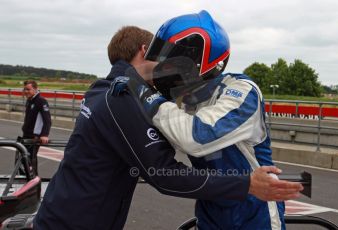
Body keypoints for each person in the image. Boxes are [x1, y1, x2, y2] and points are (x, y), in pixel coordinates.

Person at [33, 26, 302, 230]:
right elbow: (165, 174)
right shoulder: (123, 96)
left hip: (67, 211)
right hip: (78, 221)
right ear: (143, 50)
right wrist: (245, 184)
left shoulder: (102, 89)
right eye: (162, 53)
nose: (167, 62)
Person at [118, 11, 287, 229]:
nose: (162, 67)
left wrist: (145, 94)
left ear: (198, 61)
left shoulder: (242, 90)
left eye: (169, 61)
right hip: (211, 214)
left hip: (254, 216)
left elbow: (195, 136)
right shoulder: (184, 98)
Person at [21, 80, 51, 175]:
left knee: (30, 160)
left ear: (35, 89)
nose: (26, 91)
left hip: (34, 137)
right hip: (26, 135)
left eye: (28, 89)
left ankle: (33, 181)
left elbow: (47, 120)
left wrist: (44, 134)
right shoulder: (29, 100)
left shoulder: (41, 101)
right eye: (24, 89)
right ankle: (27, 180)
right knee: (24, 160)